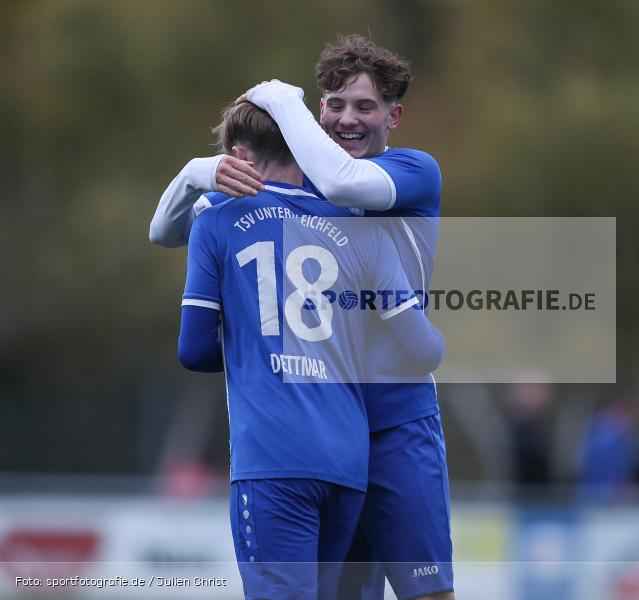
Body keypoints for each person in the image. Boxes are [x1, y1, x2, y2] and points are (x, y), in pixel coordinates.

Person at [150, 35, 455, 600]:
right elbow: (166, 230)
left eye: (365, 106)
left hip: (397, 419)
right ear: (319, 110)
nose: (348, 119)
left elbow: (344, 182)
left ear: (394, 115)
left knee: (428, 592)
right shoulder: (302, 185)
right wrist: (200, 171)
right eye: (335, 104)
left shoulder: (412, 170)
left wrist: (278, 99)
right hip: (333, 427)